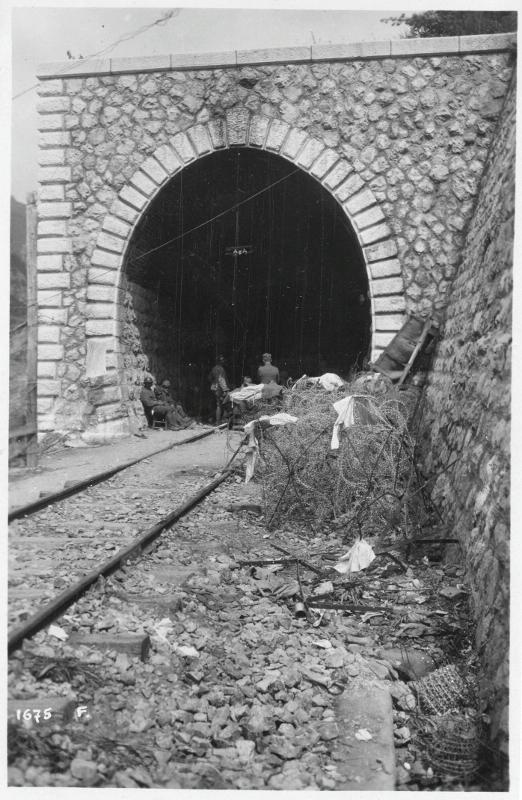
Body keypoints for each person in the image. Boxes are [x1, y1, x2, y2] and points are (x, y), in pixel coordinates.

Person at [208, 356, 230, 424]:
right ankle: (219, 421)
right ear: (220, 361)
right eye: (222, 361)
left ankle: (215, 420)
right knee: (221, 405)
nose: (223, 362)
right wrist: (225, 390)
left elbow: (209, 378)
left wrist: (213, 383)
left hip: (214, 388)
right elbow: (221, 380)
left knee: (217, 404)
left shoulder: (214, 368)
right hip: (220, 389)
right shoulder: (221, 369)